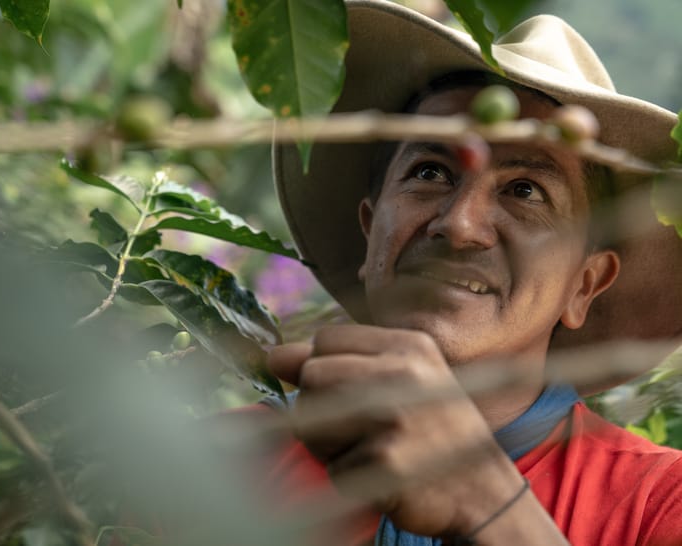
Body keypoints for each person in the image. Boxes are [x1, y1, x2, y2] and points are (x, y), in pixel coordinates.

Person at [249, 1, 682, 545]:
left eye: (526, 191)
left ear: (585, 284)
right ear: (369, 230)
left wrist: (489, 503)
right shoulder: (221, 459)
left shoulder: (657, 503)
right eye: (430, 172)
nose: (459, 224)